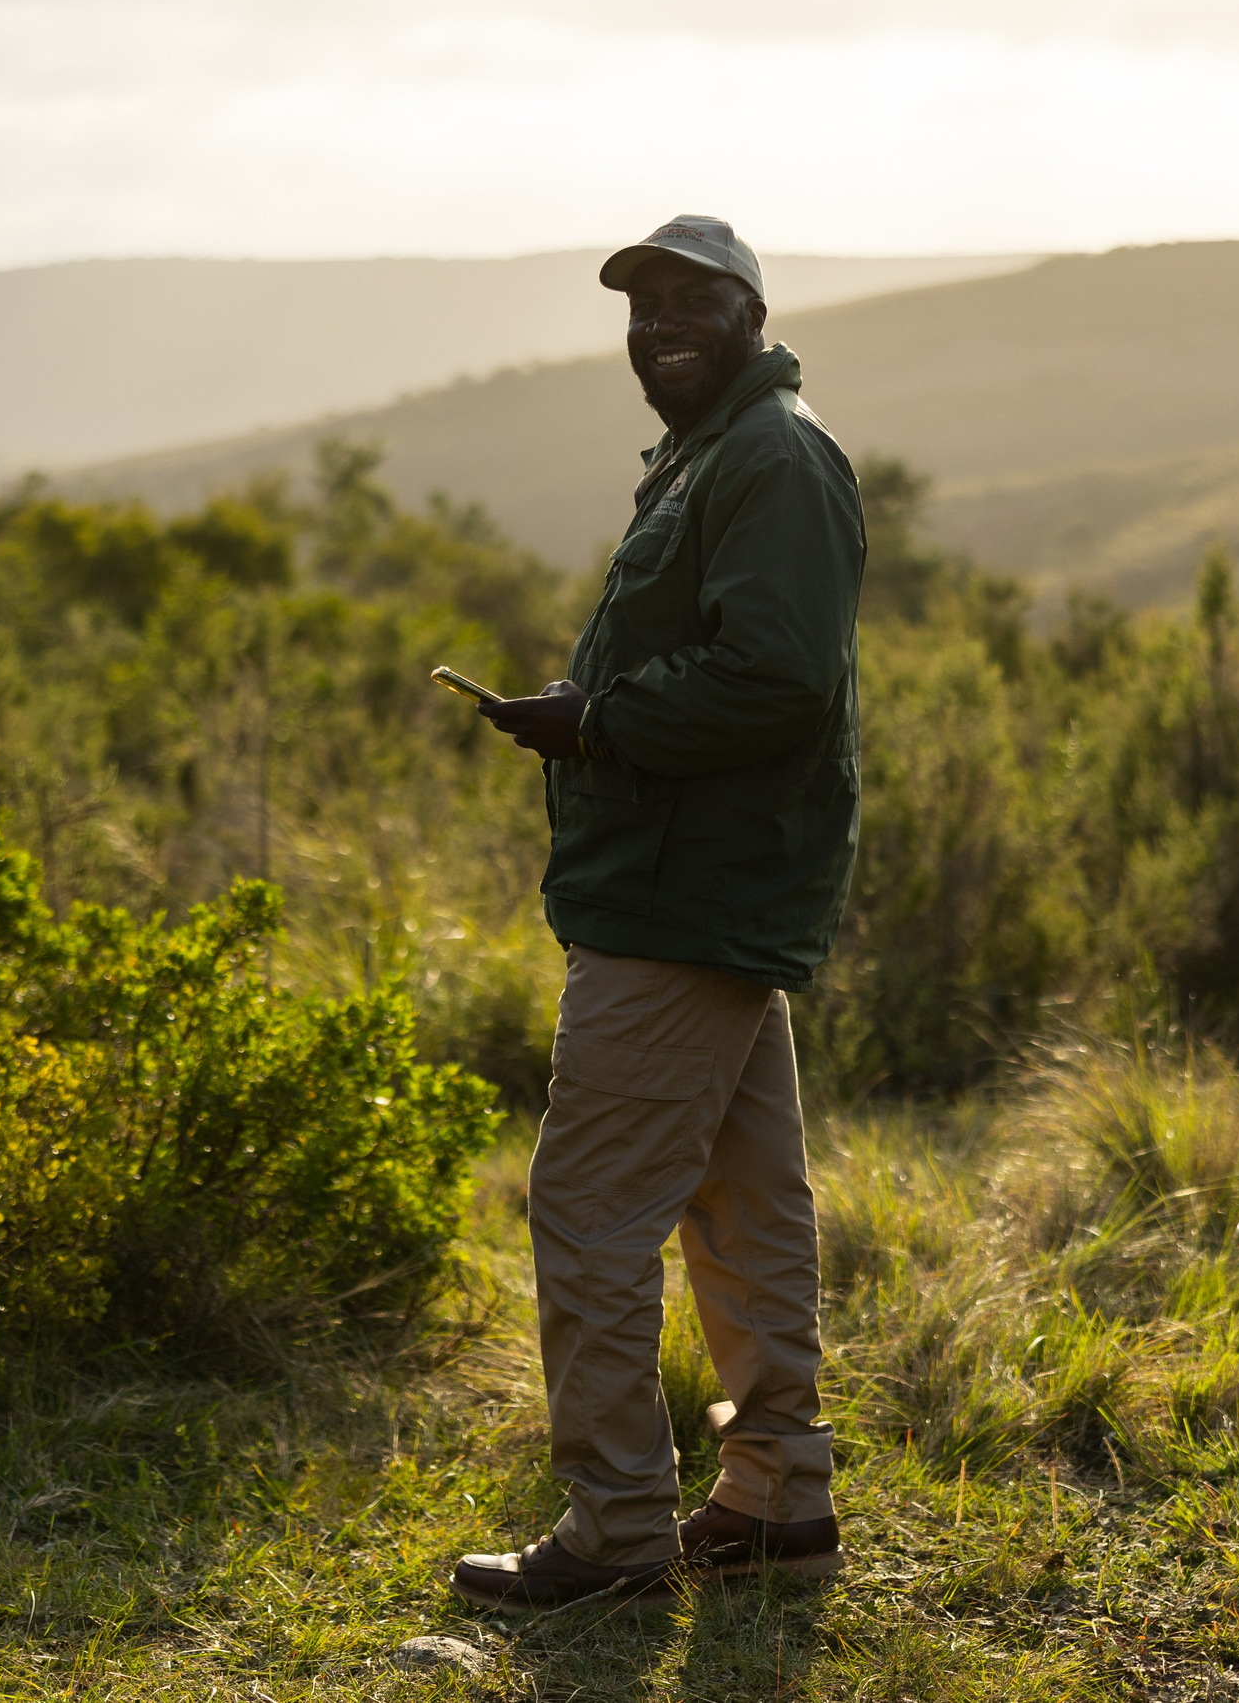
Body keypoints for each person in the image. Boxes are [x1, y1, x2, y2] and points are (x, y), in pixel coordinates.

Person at [448, 215, 867, 1613]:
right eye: (642, 307)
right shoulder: (715, 453)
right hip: (704, 888)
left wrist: (596, 723)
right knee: (744, 1207)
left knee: (587, 1214)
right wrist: (593, 714)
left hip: (686, 898)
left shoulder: (772, 458)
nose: (660, 323)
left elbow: (776, 679)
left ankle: (618, 1531)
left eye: (692, 300)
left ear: (754, 314)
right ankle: (776, 1502)